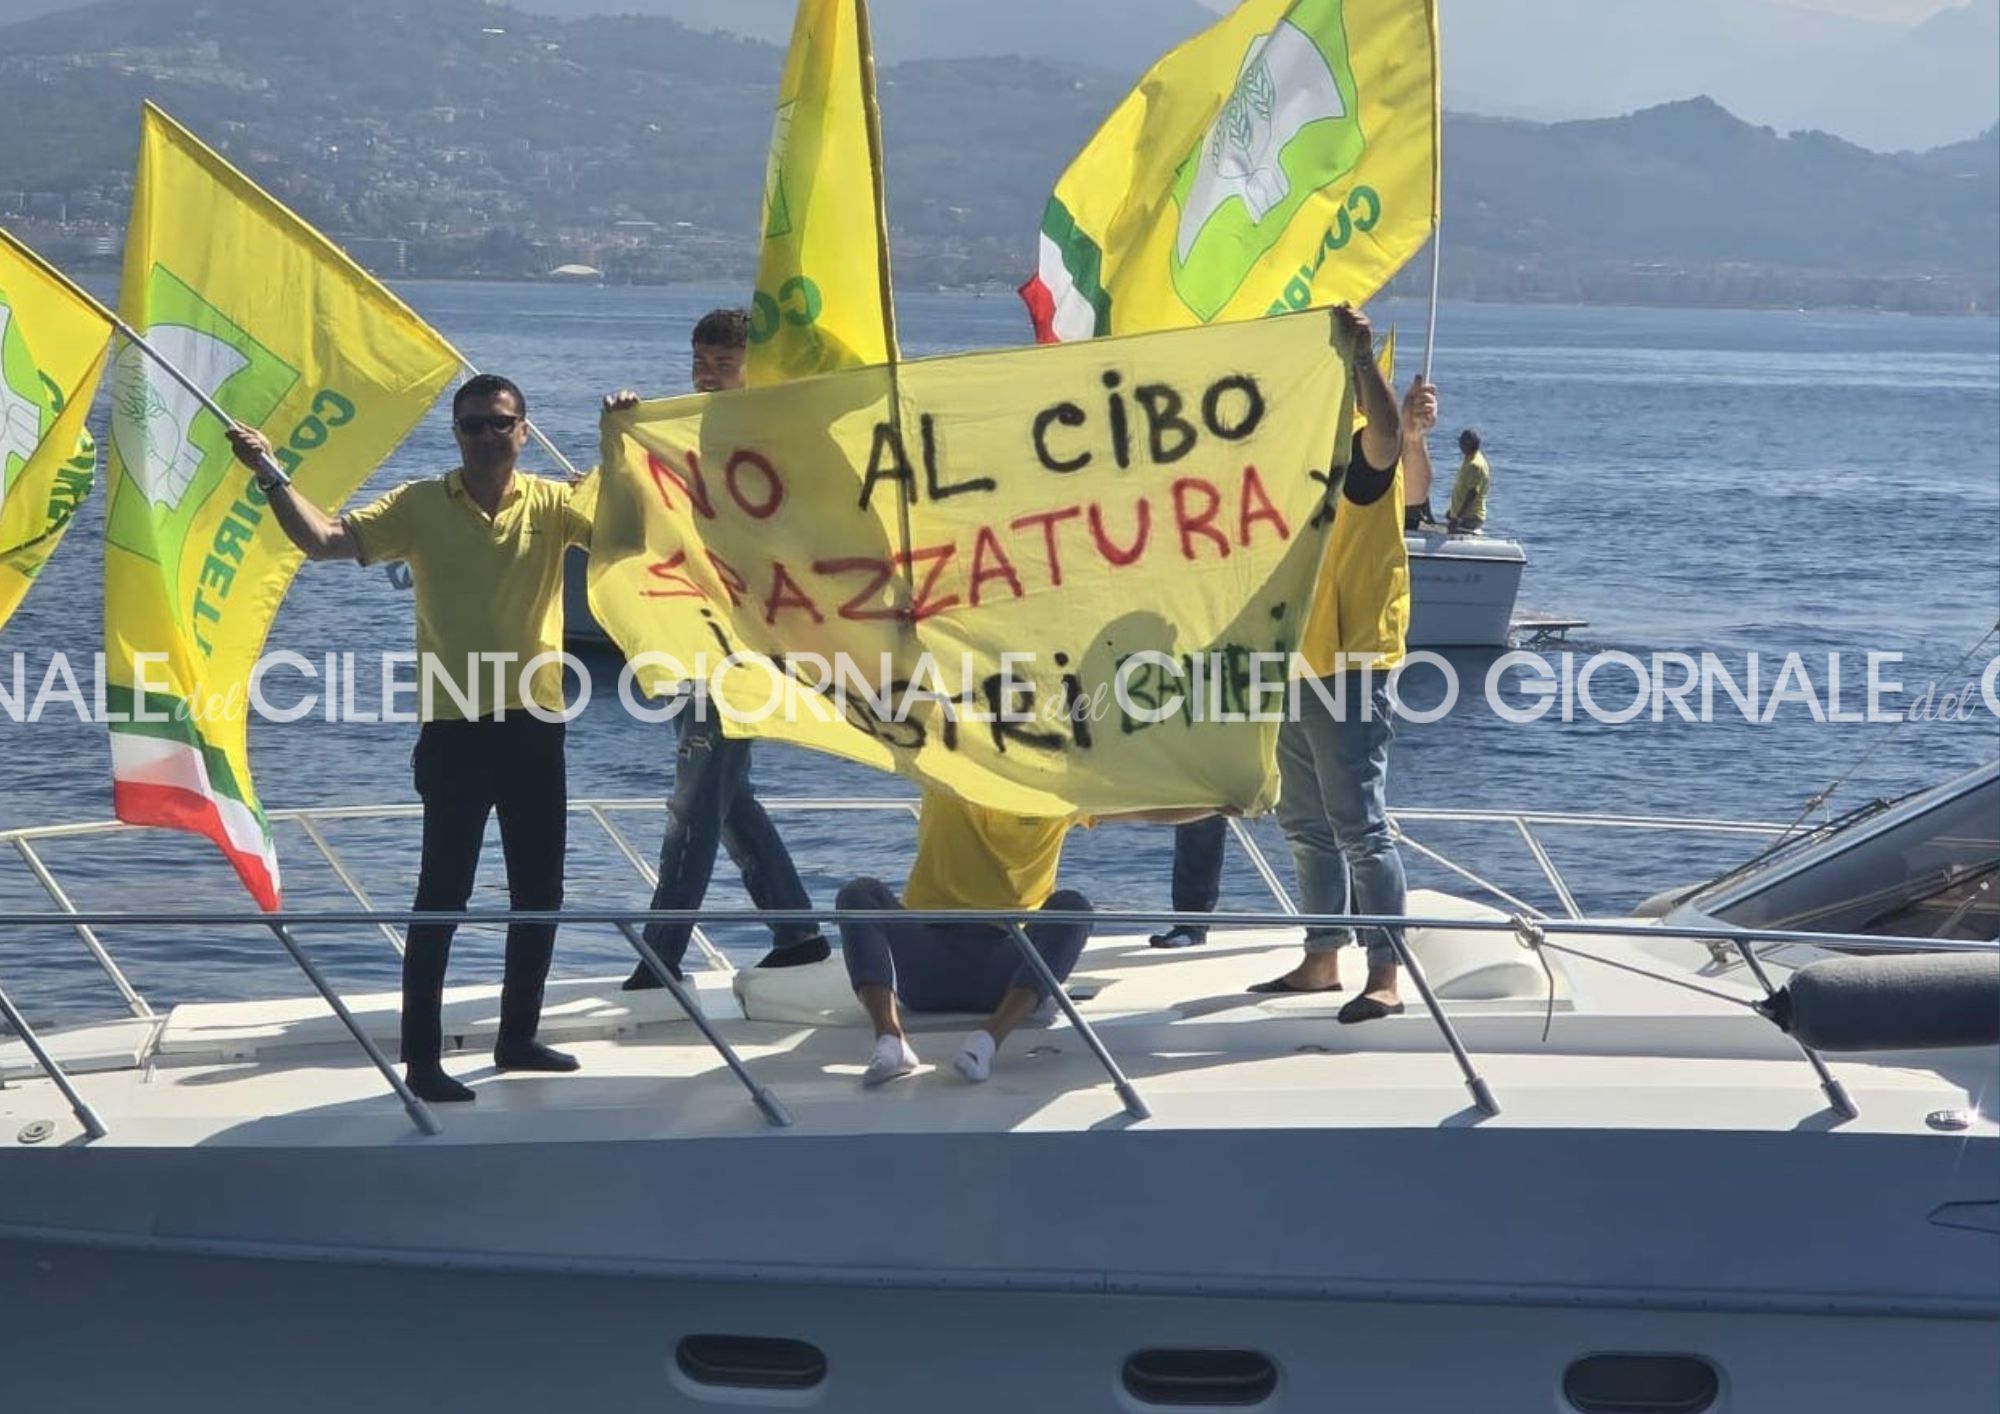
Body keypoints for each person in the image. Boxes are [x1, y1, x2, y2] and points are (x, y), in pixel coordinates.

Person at [227, 374, 589, 1103]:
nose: (487, 436)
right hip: (454, 730)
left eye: (500, 423)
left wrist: (621, 445)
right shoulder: (420, 504)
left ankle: (517, 1036)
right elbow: (324, 541)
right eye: (472, 425)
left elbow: (638, 534)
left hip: (534, 729)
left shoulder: (555, 503)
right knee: (442, 897)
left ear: (525, 430)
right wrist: (270, 474)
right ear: (455, 433)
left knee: (539, 893)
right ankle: (422, 1063)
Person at [602, 308, 829, 988]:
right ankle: (796, 932)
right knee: (726, 794)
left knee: (696, 795)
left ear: (753, 366)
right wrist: (624, 432)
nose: (706, 373)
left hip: (751, 645)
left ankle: (662, 955)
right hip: (692, 636)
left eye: (723, 363)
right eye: (699, 360)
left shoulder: (774, 439)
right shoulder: (679, 433)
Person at [1250, 306, 1432, 1025]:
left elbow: (1388, 438)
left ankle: (1385, 971)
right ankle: (1322, 956)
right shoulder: (1284, 468)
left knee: (1359, 823)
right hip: (1295, 657)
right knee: (1302, 818)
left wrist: (1361, 356)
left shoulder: (1359, 460)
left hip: (1352, 659)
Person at [838, 793, 1217, 1086]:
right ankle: (890, 1039)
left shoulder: (1052, 797)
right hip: (933, 963)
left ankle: (989, 1040)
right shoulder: (947, 775)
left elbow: (1151, 809)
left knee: (1073, 906)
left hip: (1002, 969)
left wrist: (1219, 804)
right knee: (860, 893)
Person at [1446, 428, 1489, 534]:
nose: (1459, 446)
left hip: (1470, 517)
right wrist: (1452, 511)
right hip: (1463, 515)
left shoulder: (1475, 465)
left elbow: (1473, 493)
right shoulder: (1469, 458)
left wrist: (1458, 518)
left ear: (1468, 445)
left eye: (1461, 443)